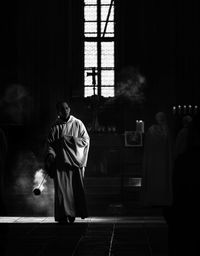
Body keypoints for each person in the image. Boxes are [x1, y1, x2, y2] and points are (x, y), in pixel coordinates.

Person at [45, 101, 90, 224]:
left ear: (69, 109)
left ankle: (73, 214)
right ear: (58, 111)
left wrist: (68, 141)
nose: (65, 111)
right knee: (62, 191)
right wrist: (50, 154)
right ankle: (63, 215)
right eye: (62, 109)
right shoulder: (55, 126)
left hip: (74, 164)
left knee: (74, 190)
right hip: (61, 164)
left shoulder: (78, 123)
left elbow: (86, 141)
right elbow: (50, 144)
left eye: (66, 108)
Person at [142, 111, 173, 207]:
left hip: (155, 161)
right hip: (161, 160)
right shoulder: (165, 130)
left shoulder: (153, 130)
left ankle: (154, 199)